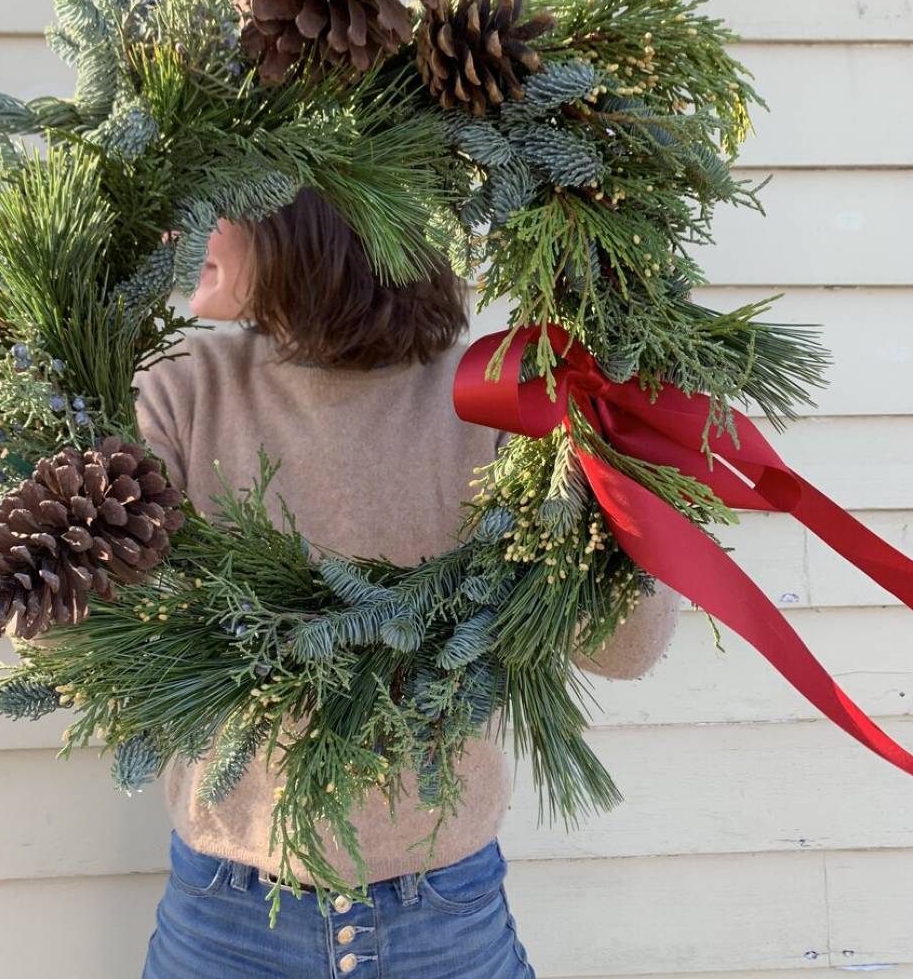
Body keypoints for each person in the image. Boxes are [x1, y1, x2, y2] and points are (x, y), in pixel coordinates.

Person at [135, 188, 682, 978]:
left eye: (219, 197)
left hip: (443, 920)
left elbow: (622, 649)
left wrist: (617, 448)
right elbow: (70, 637)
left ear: (302, 215)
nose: (178, 225)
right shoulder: (183, 390)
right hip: (226, 918)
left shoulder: (495, 399)